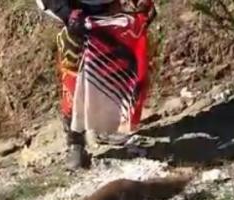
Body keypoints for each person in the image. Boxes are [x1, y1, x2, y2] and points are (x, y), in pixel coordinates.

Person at [35, 0, 156, 170]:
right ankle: (75, 142)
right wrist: (67, 14)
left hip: (109, 6)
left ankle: (104, 125)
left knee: (112, 62)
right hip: (70, 6)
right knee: (74, 69)